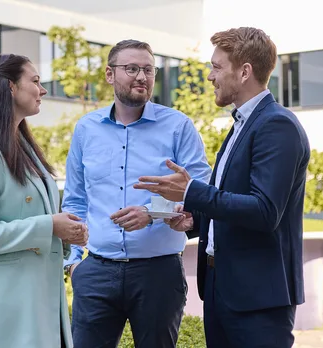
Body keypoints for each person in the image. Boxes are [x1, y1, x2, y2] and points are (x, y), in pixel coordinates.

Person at [134, 27, 311, 348]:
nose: (209, 76)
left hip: (258, 299)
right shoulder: (242, 125)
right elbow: (236, 202)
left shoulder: (277, 125)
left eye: (216, 67)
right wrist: (195, 220)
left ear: (245, 72)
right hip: (221, 289)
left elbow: (265, 211)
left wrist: (191, 192)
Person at [61, 39, 212, 348]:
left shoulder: (178, 126)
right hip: (96, 272)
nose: (142, 77)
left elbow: (202, 192)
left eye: (148, 69)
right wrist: (75, 265)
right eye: (131, 68)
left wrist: (152, 213)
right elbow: (75, 199)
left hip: (158, 274)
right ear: (109, 75)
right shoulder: (86, 129)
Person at [0, 53, 88, 348]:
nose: (43, 90)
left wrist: (66, 234)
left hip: (35, 307)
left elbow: (38, 220)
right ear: (11, 87)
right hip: (3, 312)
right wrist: (50, 226)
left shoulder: (21, 145)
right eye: (35, 81)